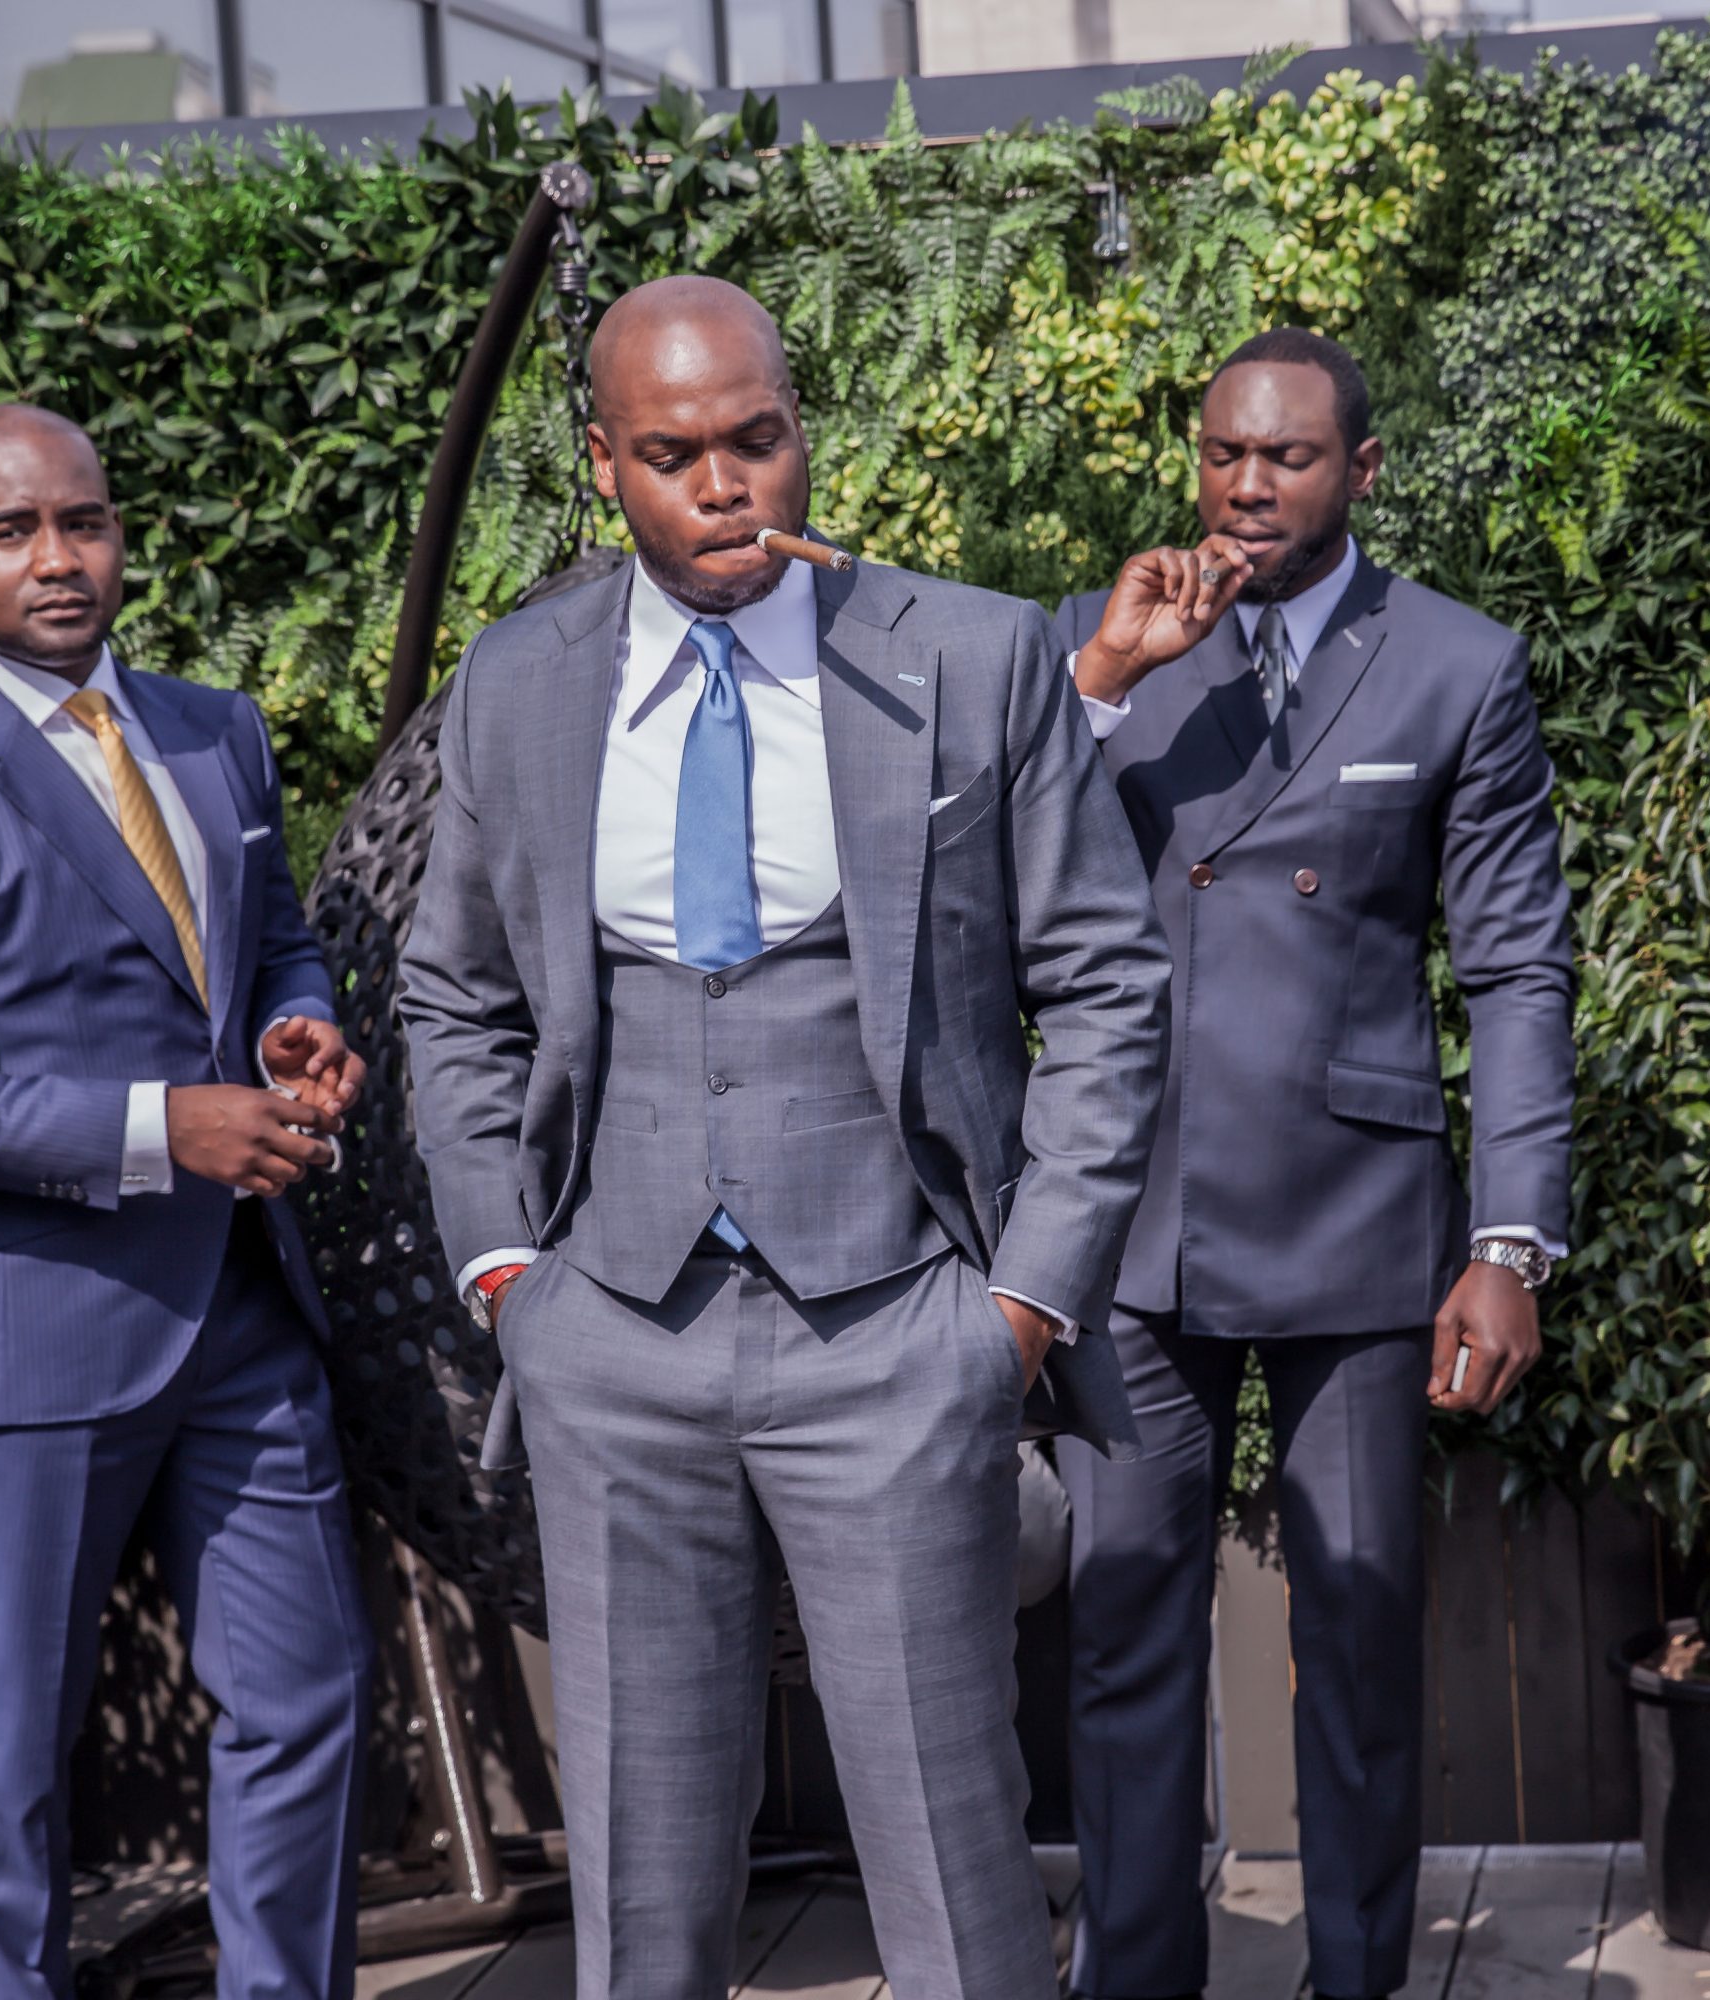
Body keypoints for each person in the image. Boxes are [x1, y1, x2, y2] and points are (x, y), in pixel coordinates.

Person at [394, 275, 1170, 2000]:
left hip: (899, 1328)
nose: (727, 484)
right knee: (641, 1892)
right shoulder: (519, 683)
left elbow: (1108, 986)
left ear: (802, 429)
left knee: (957, 1877)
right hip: (612, 1333)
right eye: (676, 454)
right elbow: (452, 998)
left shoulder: (967, 656)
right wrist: (510, 1274)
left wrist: (1018, 1307)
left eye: (759, 438)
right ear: (605, 463)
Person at [0, 404, 376, 2000]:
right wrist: (160, 1129)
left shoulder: (215, 732)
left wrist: (298, 1024)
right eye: (12, 531)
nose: (59, 558)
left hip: (245, 1313)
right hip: (31, 1335)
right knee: (14, 1757)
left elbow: (272, 943)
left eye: (85, 522)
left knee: (309, 1698)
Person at [1045, 328, 1577, 2000]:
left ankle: (1359, 1977)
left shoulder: (1454, 665)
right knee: (1125, 1630)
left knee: (1355, 1634)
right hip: (1134, 1216)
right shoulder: (1101, 643)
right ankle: (1135, 1978)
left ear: (1358, 467)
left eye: (1286, 457)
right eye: (1223, 454)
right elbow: (979, 877)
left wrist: (1510, 1241)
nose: (1248, 486)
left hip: (1357, 1219)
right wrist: (1105, 682)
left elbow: (1515, 967)